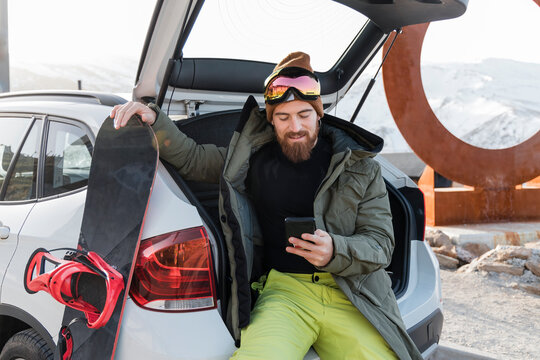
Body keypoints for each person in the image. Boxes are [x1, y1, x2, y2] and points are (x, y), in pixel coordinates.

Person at [111, 52, 422, 360]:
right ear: (271, 120)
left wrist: (335, 250)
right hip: (286, 292)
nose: (295, 126)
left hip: (351, 291)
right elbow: (192, 159)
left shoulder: (359, 166)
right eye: (284, 117)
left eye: (304, 114)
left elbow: (381, 245)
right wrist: (155, 120)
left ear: (319, 114)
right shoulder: (249, 159)